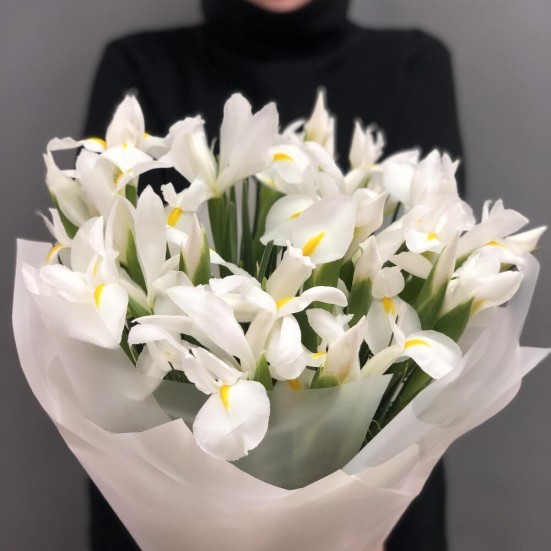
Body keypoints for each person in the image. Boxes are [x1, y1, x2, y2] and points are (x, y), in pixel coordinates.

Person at [84, 0, 464, 549]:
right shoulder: (141, 64)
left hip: (374, 494)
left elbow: (437, 250)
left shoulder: (411, 62)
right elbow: (109, 261)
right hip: (170, 490)